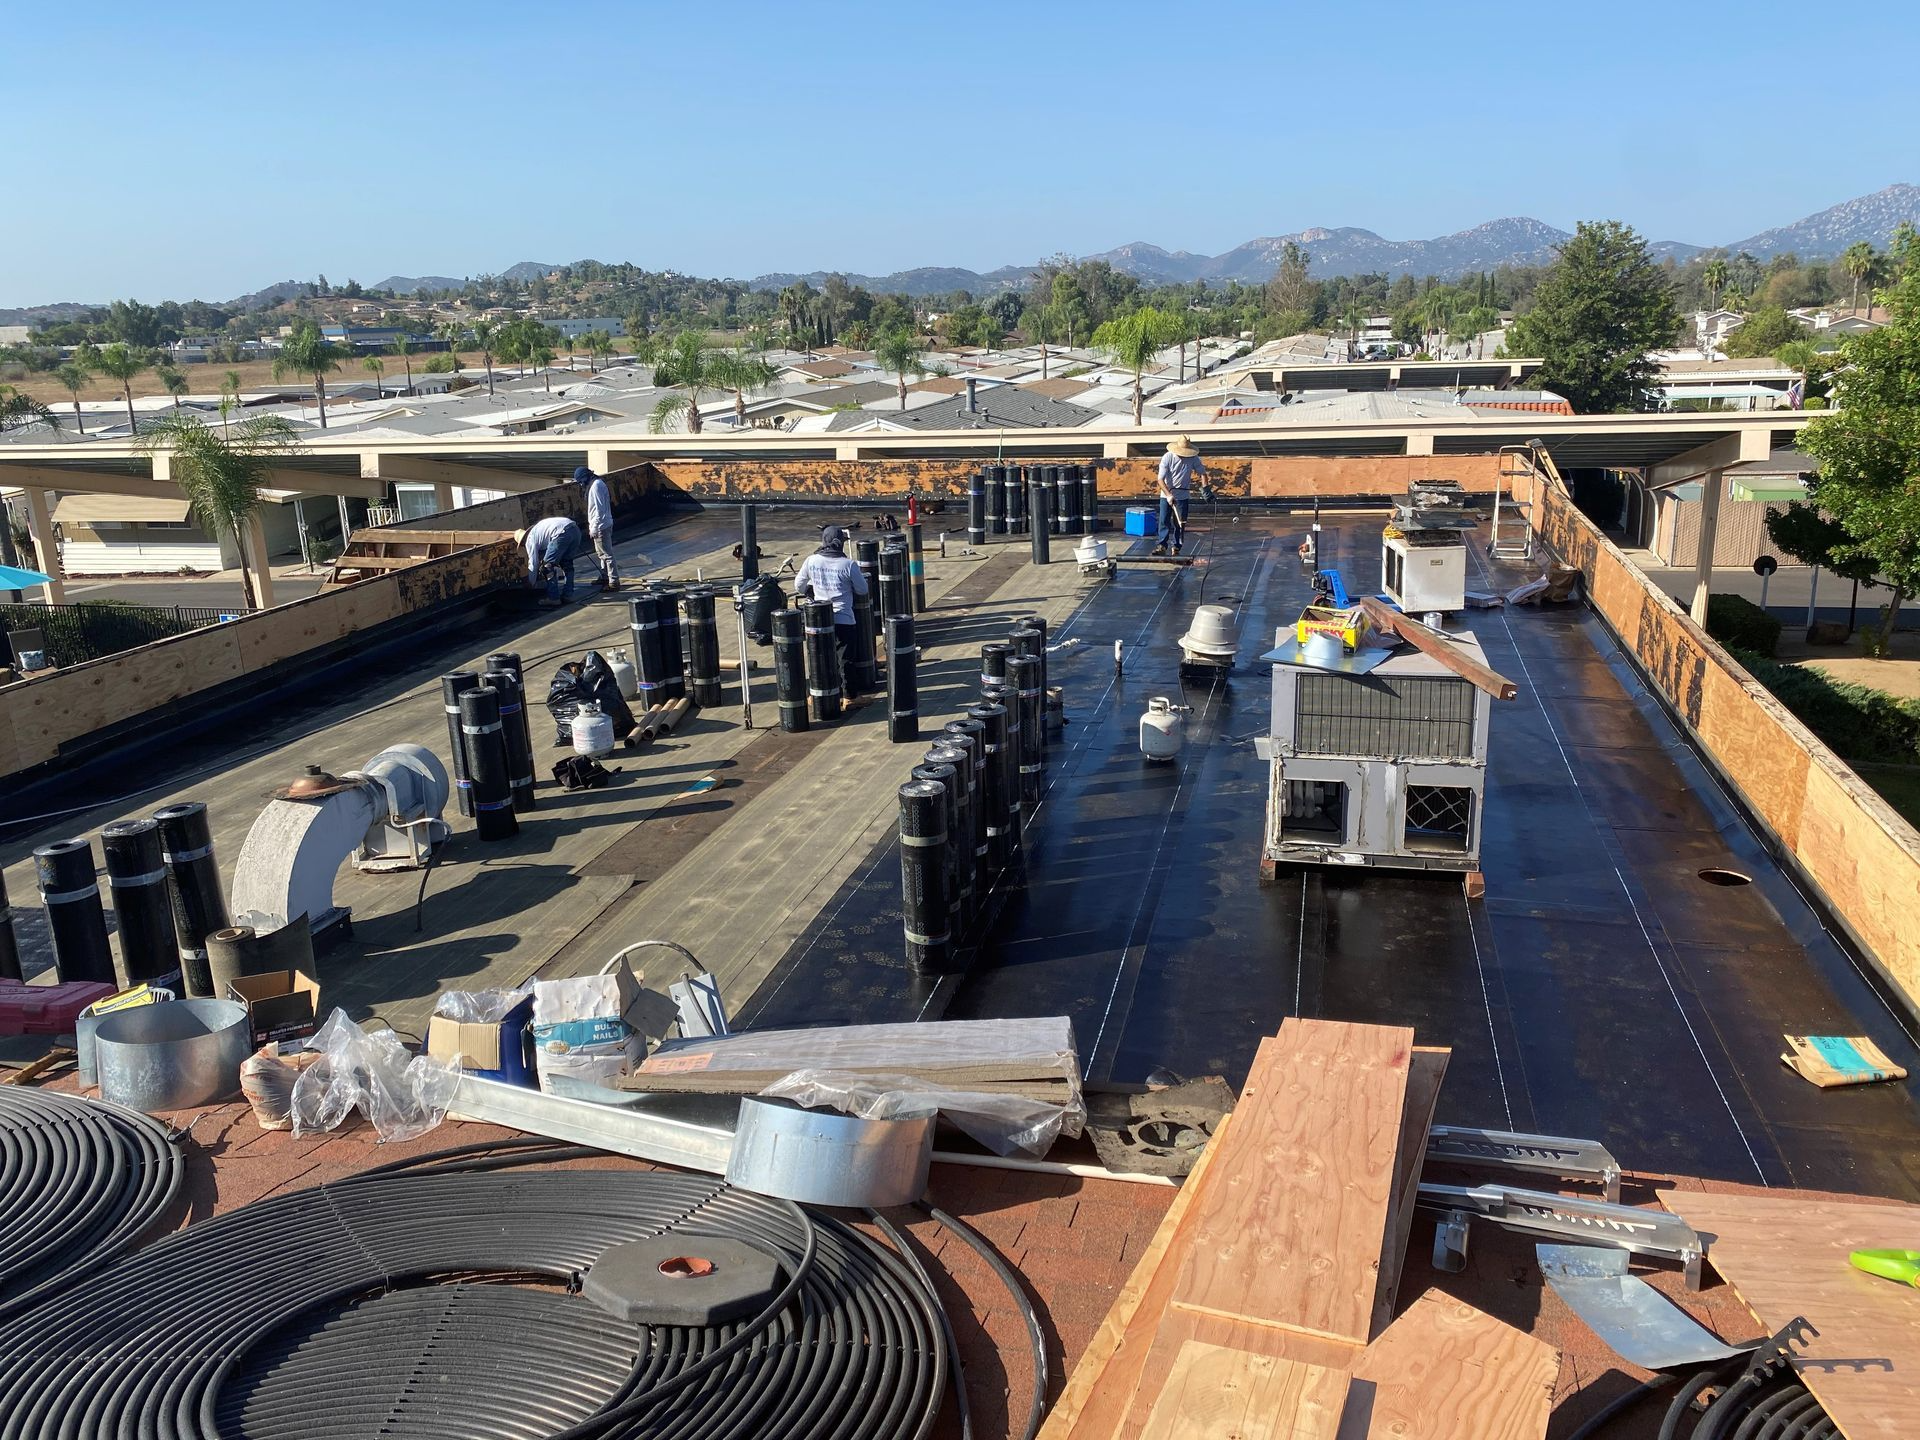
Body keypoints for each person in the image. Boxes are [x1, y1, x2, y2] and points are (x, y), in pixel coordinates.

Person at [793, 524, 870, 694]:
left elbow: (798, 585)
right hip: (844, 618)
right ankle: (849, 696)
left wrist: (811, 591)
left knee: (821, 658)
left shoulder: (811, 560)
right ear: (840, 543)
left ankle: (822, 694)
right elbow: (862, 589)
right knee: (845, 658)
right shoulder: (848, 565)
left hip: (820, 619)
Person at [516, 515, 584, 607]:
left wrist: (531, 583)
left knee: (546, 567)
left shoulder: (530, 539)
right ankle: (568, 595)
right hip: (575, 530)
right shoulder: (539, 530)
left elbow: (533, 562)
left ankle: (554, 598)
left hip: (561, 533)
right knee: (567, 564)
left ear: (523, 541)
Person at [1154, 435, 1204, 556]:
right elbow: (1160, 479)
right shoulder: (1168, 457)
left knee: (1180, 523)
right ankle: (1162, 545)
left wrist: (1205, 488)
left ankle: (1176, 546)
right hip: (1167, 494)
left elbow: (1203, 473)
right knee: (1164, 520)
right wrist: (1168, 495)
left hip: (1183, 495)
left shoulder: (1193, 458)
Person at [574, 465, 618, 590]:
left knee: (606, 554)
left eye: (581, 481)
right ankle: (605, 576)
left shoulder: (596, 486)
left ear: (585, 477)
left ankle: (613, 582)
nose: (581, 485)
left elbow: (599, 510)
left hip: (601, 526)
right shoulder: (595, 484)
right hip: (602, 524)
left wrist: (595, 527)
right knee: (601, 554)